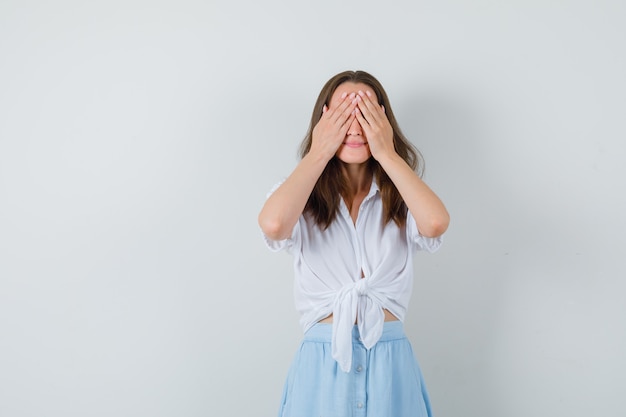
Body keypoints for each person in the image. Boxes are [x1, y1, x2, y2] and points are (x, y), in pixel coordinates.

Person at [258, 70, 450, 417]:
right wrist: (319, 151)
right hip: (322, 365)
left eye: (366, 114)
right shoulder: (302, 196)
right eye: (344, 114)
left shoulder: (402, 195)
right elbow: (273, 225)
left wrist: (387, 153)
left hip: (390, 365)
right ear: (322, 121)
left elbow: (435, 224)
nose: (355, 126)